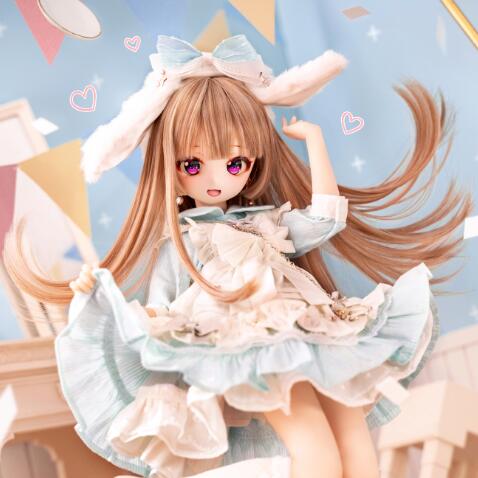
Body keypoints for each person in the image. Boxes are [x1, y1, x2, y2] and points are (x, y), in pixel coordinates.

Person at [3, 35, 472, 478]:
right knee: (315, 447)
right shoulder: (184, 242)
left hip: (312, 329)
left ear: (253, 162)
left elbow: (327, 217)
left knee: (355, 440)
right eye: (192, 164)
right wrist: (94, 292)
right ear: (170, 165)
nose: (216, 179)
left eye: (234, 163)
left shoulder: (266, 223)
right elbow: (158, 314)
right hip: (249, 349)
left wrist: (314, 140)